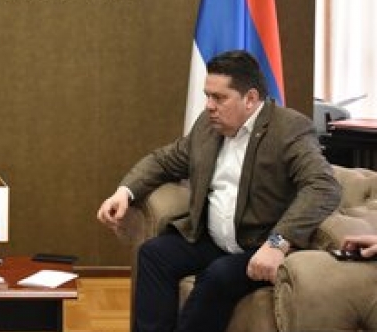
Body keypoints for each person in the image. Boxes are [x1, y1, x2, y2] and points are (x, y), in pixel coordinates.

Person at [96, 49, 342, 332]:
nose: (209, 106)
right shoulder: (207, 125)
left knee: (218, 275)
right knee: (154, 254)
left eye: (219, 98)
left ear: (250, 98)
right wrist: (124, 192)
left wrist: (277, 243)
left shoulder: (289, 129)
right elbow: (164, 160)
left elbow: (323, 186)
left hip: (259, 245)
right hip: (212, 240)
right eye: (207, 96)